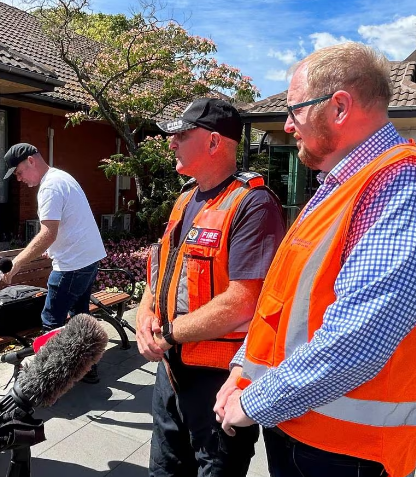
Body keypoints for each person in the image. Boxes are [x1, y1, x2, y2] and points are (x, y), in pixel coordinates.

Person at [215, 43, 416, 477]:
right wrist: (242, 369)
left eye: (295, 109)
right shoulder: (341, 186)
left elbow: (357, 343)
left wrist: (254, 401)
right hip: (306, 430)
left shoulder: (404, 191)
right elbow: (281, 304)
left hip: (345, 454)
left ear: (339, 107)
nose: (288, 124)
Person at [137, 97, 285, 477]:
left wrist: (168, 334)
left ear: (215, 142)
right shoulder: (185, 198)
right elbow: (161, 269)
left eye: (181, 134)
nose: (171, 142)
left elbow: (244, 301)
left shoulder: (253, 204)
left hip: (218, 383)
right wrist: (143, 315)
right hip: (171, 373)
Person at [2, 143, 106, 382]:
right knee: (80, 319)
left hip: (71, 266)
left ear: (31, 161)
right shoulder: (62, 177)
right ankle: (87, 370)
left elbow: (49, 232)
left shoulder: (49, 186)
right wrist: (52, 247)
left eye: (18, 172)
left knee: (51, 323)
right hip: (88, 260)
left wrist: (16, 263)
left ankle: (50, 380)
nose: (18, 179)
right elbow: (67, 224)